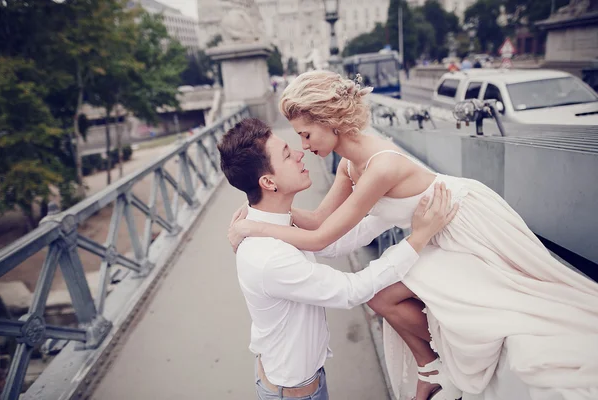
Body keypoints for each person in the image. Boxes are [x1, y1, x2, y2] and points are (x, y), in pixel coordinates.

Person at [228, 71, 598, 400]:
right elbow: (321, 220)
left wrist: (255, 227)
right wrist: (270, 214)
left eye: (306, 134)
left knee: (490, 305)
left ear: (330, 121)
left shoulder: (381, 167)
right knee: (380, 296)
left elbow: (323, 238)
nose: (305, 146)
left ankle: (443, 365)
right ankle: (432, 366)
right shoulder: (348, 165)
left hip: (461, 221)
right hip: (433, 229)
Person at [218, 118, 457, 400]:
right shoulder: (270, 256)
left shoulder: (274, 223)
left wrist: (393, 213)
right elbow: (351, 290)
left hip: (294, 380)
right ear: (268, 182)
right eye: (286, 154)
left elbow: (331, 242)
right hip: (295, 393)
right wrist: (418, 237)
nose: (299, 152)